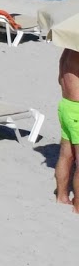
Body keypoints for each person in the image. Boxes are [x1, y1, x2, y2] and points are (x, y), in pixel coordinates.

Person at [57, 47, 79, 212]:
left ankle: (62, 196)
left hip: (65, 105)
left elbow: (60, 79)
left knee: (66, 155)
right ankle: (78, 205)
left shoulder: (67, 51)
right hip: (77, 109)